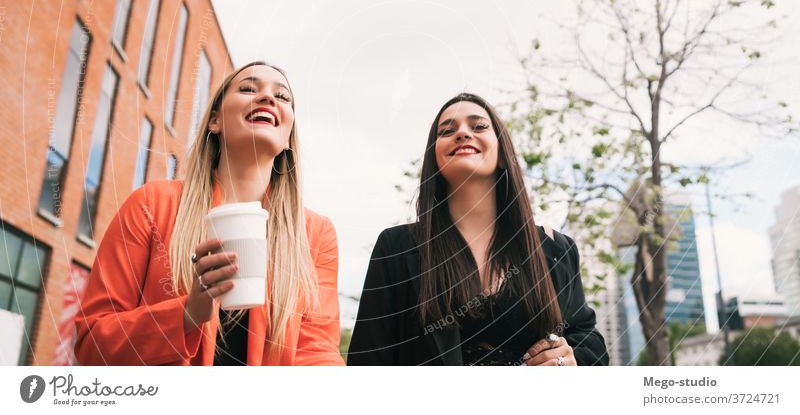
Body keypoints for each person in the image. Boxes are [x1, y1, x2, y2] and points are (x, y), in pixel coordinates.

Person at [74, 62, 343, 365]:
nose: (268, 98)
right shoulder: (151, 204)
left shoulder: (316, 234)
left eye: (282, 97)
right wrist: (187, 313)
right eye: (248, 89)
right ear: (215, 120)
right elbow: (92, 345)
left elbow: (317, 353)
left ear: (287, 138)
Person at [347, 93, 608, 366]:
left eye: (478, 126)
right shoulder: (397, 247)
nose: (462, 133)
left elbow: (590, 344)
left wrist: (570, 359)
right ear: (434, 158)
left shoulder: (555, 248)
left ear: (503, 153)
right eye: (447, 130)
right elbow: (367, 362)